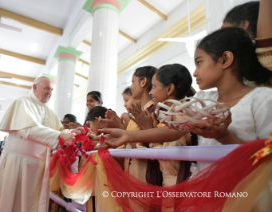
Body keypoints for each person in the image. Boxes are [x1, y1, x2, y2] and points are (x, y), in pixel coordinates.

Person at [100, 27, 272, 174]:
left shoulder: (262, 99)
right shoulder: (203, 99)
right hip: (208, 185)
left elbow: (266, 159)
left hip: (248, 188)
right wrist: (128, 135)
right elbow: (173, 131)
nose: (195, 72)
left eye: (199, 62)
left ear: (225, 59)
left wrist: (224, 136)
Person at [0, 76, 75, 212]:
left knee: (32, 202)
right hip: (18, 163)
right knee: (12, 201)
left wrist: (73, 132)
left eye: (51, 89)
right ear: (35, 87)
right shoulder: (22, 103)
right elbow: (28, 130)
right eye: (46, 88)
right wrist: (60, 135)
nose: (49, 92)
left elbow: (59, 132)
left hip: (39, 165)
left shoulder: (49, 112)